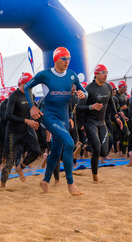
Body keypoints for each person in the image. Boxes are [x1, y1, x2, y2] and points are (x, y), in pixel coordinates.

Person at [24, 47, 87, 195]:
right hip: (50, 116)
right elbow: (27, 87)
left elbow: (84, 91)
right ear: (56, 59)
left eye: (69, 59)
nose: (67, 62)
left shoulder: (71, 76)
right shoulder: (45, 75)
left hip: (64, 117)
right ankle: (71, 184)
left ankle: (45, 181)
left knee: (56, 151)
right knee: (70, 143)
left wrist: (82, 94)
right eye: (63, 58)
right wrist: (32, 107)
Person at [76, 65, 122, 182]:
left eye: (106, 72)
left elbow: (111, 103)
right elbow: (79, 107)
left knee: (104, 152)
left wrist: (116, 116)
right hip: (90, 122)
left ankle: (82, 146)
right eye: (103, 72)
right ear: (96, 74)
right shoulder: (89, 89)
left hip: (102, 123)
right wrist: (91, 106)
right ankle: (95, 177)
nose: (105, 74)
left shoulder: (108, 87)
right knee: (96, 148)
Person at [0, 72, 41, 188]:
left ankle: (20, 167)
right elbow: (8, 116)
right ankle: (3, 185)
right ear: (23, 83)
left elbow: (32, 112)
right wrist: (26, 121)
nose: (31, 87)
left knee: (36, 150)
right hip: (13, 132)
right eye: (29, 85)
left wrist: (34, 120)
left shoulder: (31, 96)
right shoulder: (14, 96)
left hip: (25, 131)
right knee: (10, 160)